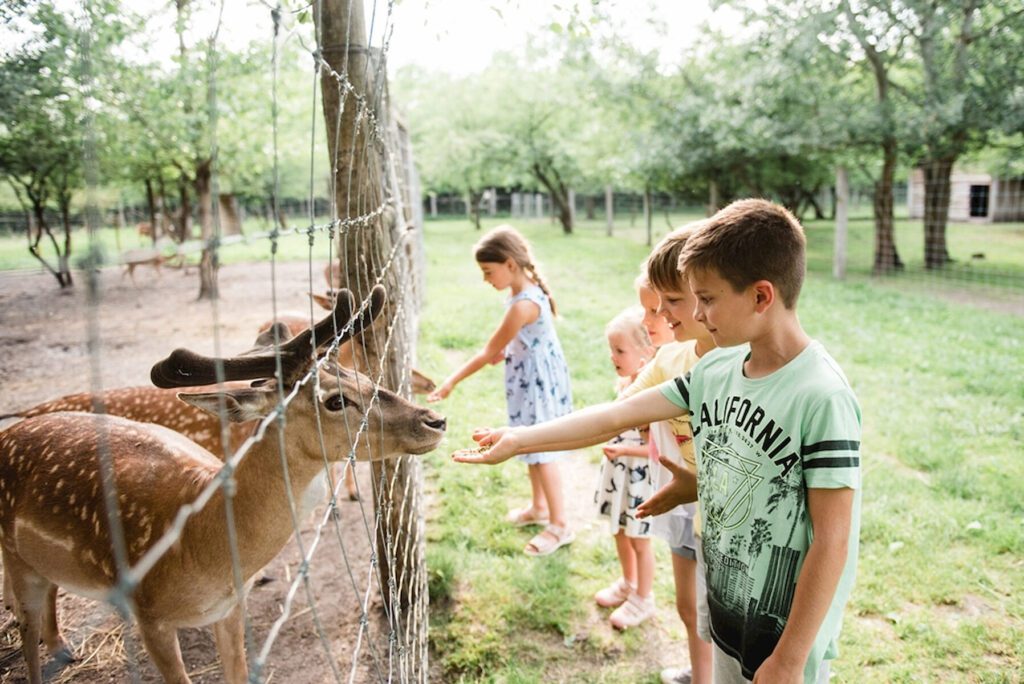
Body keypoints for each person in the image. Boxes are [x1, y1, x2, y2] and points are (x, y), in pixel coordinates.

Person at [453, 199, 861, 684]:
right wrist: (520, 439)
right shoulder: (715, 369)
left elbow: (832, 539)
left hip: (786, 633)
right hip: (728, 604)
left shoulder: (822, 397)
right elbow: (618, 414)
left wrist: (791, 659)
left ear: (760, 296)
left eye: (706, 299)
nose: (694, 315)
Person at [429, 224, 575, 557]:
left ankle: (560, 524)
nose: (486, 279)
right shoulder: (520, 292)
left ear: (510, 264)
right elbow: (514, 343)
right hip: (527, 378)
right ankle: (539, 508)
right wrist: (509, 350)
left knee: (543, 451)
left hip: (536, 384)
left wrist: (451, 381)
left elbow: (486, 351)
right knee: (528, 442)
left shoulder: (522, 304)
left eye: (488, 271)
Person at [624, 226, 715, 684]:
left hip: (725, 509)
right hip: (683, 499)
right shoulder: (669, 361)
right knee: (688, 604)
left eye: (666, 305)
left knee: (719, 610)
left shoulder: (731, 364)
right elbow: (616, 413)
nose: (656, 317)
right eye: (651, 308)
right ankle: (702, 676)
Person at [593, 307, 657, 629]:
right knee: (619, 531)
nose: (612, 357)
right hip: (619, 475)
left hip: (638, 480)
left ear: (645, 354)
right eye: (611, 350)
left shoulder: (648, 394)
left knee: (639, 540)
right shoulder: (625, 383)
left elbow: (655, 449)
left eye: (619, 350)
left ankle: (643, 598)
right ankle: (627, 582)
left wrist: (622, 449)